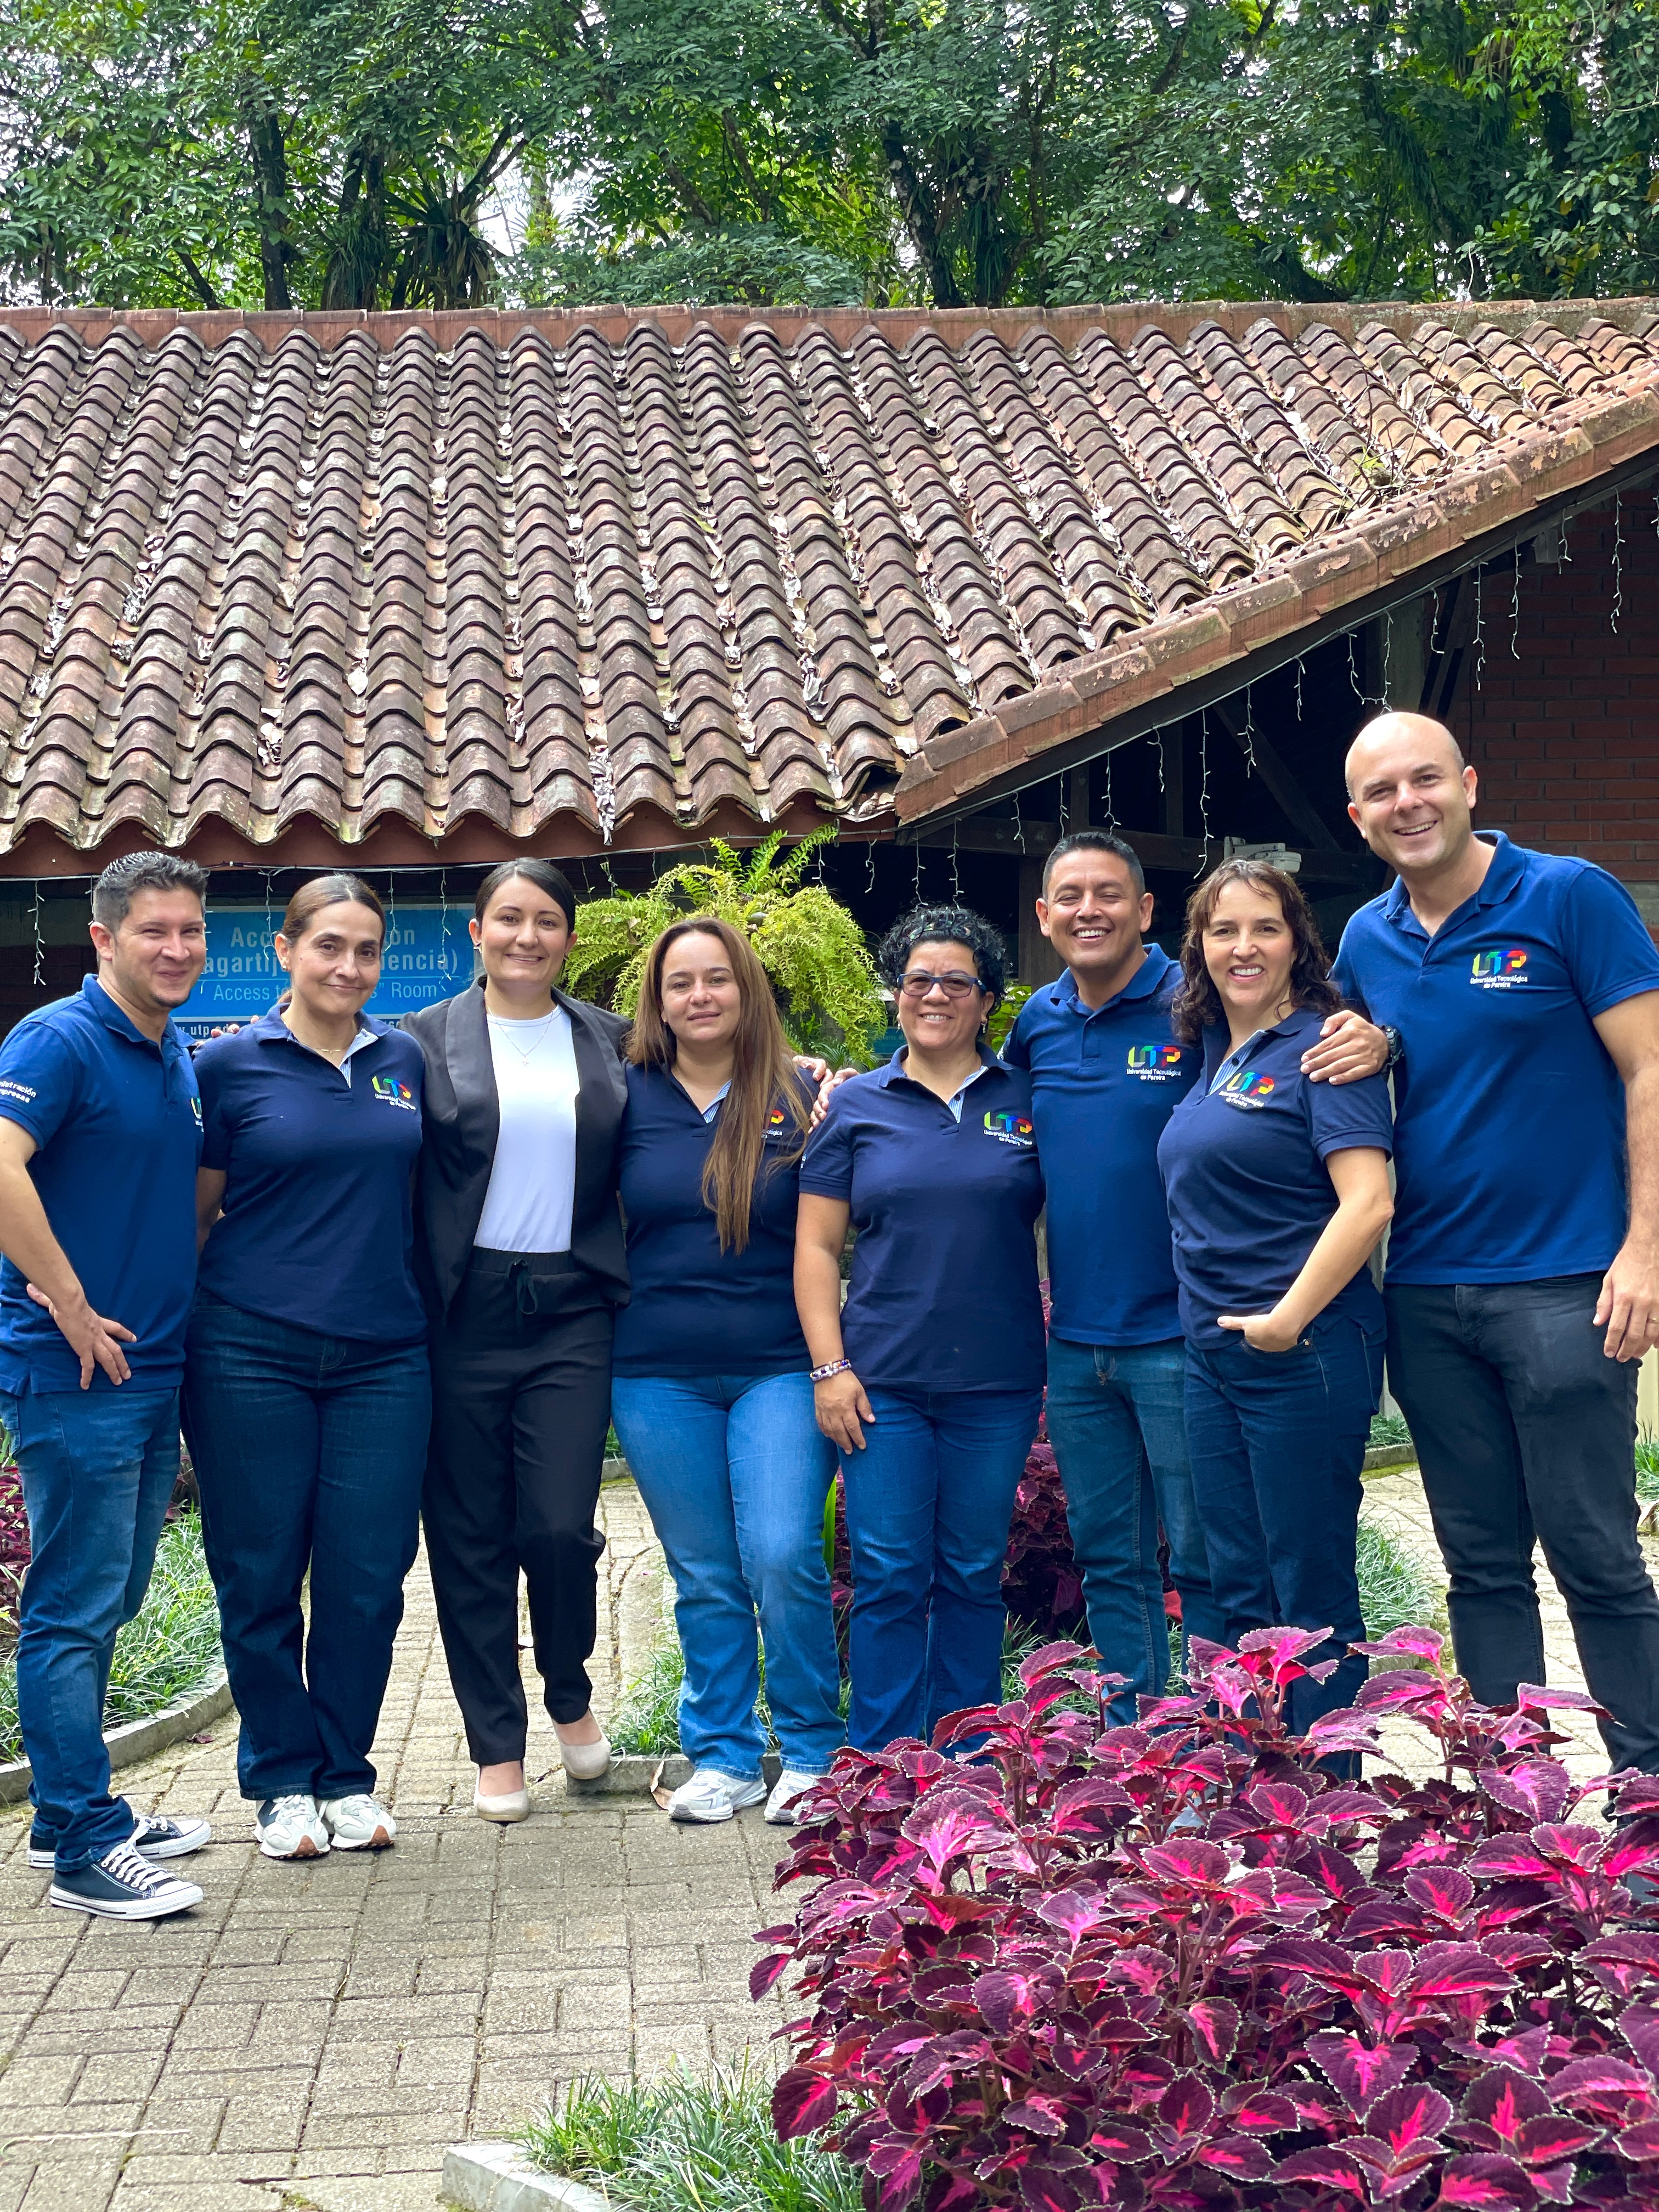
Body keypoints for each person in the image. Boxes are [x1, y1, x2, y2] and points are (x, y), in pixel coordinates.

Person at [1335, 710, 1659, 1773]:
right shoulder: (1365, 941)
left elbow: (1649, 1071)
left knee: (1597, 1558)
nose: (1407, 805)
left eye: (1424, 781)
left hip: (1568, 1287)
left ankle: (1646, 1801)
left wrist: (1646, 1250)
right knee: (1479, 1567)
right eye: (1382, 793)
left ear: (1467, 782)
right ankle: (1506, 1801)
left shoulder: (1569, 897)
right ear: (1358, 817)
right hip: (1426, 1296)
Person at [183, 876, 430, 1861]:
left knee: (370, 1578)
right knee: (260, 1570)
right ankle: (282, 1779)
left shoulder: (402, 1058)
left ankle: (345, 1774)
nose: (349, 968)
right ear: (286, 951)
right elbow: (196, 1216)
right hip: (249, 1349)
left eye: (366, 951)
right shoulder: (229, 1066)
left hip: (385, 1354)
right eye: (329, 946)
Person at [0, 853, 212, 1919]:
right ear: (105, 939)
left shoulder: (169, 1051)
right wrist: (71, 1302)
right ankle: (86, 1845)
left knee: (114, 1593)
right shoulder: (59, 1040)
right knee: (75, 1608)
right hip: (77, 1372)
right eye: (153, 932)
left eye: (190, 931)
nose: (175, 949)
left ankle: (62, 1814)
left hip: (151, 1371)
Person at [404, 861, 626, 1821]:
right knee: (468, 1537)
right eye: (508, 920)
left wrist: (808, 1079)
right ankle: (497, 1744)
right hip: (462, 1311)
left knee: (559, 1527)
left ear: (569, 939)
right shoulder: (418, 1042)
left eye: (546, 922)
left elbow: (718, 1071)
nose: (526, 937)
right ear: (477, 932)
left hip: (572, 1311)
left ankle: (570, 1694)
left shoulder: (614, 1042)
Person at [796, 904, 1046, 1750]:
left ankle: (969, 1753)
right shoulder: (857, 1104)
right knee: (891, 1576)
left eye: (956, 982)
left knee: (974, 1573)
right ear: (896, 996)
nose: (934, 995)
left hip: (999, 1384)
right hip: (882, 1386)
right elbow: (819, 1246)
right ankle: (883, 1759)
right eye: (917, 980)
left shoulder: (1027, 1097)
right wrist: (831, 1371)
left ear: (987, 1003)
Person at [610, 919, 840, 1826]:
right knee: (702, 1570)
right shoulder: (621, 1093)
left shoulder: (804, 1092)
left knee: (783, 1553)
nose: (699, 997)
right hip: (656, 1370)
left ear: (747, 991)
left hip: (779, 1367)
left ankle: (816, 1752)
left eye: (718, 980)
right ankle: (723, 1754)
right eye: (680, 984)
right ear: (657, 1001)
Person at [1157, 858, 1395, 1733]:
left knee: (1311, 1585)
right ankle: (1260, 1798)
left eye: (1265, 927)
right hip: (1213, 1354)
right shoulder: (1216, 1051)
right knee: (1235, 1579)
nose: (1243, 946)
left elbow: (1369, 1201)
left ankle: (1326, 1802)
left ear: (1298, 941)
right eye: (1223, 930)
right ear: (1200, 947)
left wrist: (1285, 1322)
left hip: (1301, 1351)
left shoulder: (1325, 1048)